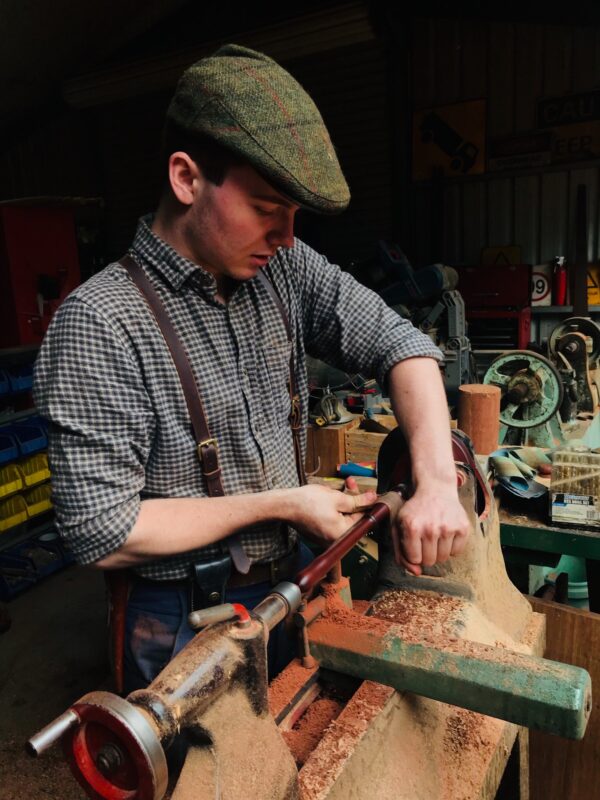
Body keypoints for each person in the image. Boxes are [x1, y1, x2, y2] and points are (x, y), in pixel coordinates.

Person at [33, 44, 469, 693]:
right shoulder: (100, 322)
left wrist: (435, 483)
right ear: (186, 178)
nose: (288, 236)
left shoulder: (284, 271)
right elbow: (102, 531)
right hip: (184, 616)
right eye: (267, 209)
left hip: (294, 582)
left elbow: (401, 344)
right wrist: (286, 503)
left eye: (295, 215)